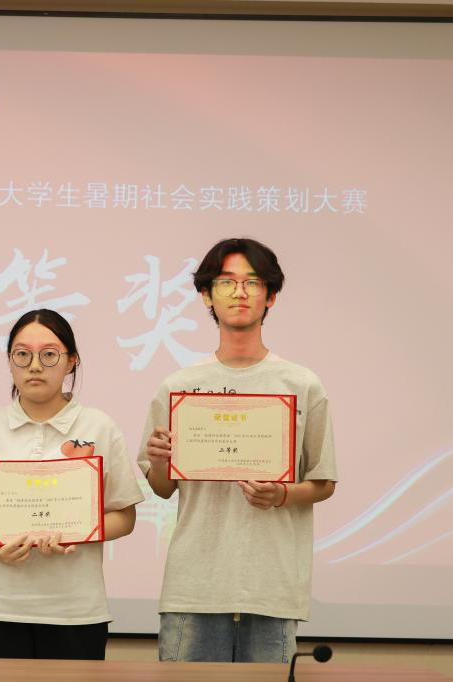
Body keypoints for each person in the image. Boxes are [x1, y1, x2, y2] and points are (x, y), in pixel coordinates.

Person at [140, 238, 337, 663]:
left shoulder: (302, 384)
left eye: (252, 282)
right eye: (227, 282)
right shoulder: (179, 386)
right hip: (194, 587)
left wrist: (281, 494)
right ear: (206, 295)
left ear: (271, 296)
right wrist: (159, 461)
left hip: (271, 588)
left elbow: (323, 481)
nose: (240, 292)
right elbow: (162, 488)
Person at [0, 309, 144, 660]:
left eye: (49, 354)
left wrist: (76, 531)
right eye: (22, 354)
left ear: (71, 361)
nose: (35, 366)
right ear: (10, 361)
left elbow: (124, 516)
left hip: (77, 610)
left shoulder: (99, 427)